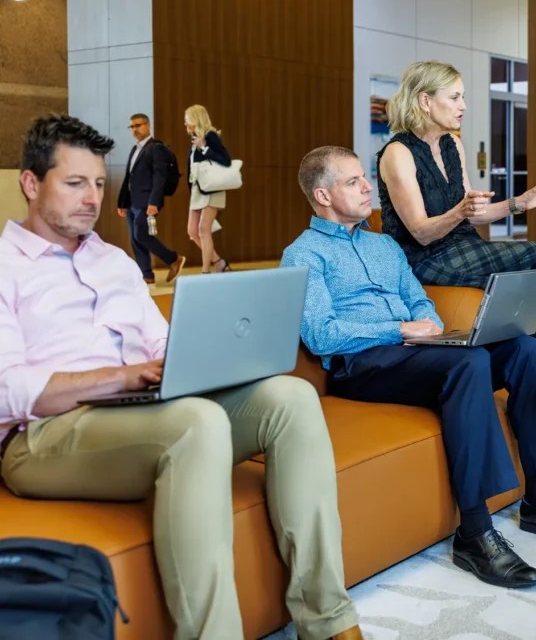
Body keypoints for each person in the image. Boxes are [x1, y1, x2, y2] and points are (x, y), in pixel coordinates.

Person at [0, 115, 362, 640]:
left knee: (291, 397)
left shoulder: (115, 262)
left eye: (100, 184)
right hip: (42, 437)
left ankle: (330, 621)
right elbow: (8, 391)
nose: (92, 198)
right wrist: (122, 379)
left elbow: (161, 347)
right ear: (31, 183)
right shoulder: (6, 265)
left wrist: (210, 355)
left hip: (139, 413)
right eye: (75, 183)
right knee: (197, 422)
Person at [281, 146, 536, 590]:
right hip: (362, 365)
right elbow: (323, 336)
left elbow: (418, 297)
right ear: (323, 195)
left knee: (528, 351)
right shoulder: (304, 254)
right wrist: (401, 328)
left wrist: (427, 320)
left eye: (363, 177)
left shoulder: (384, 244)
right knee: (468, 365)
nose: (368, 186)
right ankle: (474, 532)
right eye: (353, 182)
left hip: (413, 351)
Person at [376, 60, 536, 367]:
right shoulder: (398, 153)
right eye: (454, 97)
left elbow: (473, 215)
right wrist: (459, 212)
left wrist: (521, 202)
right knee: (535, 261)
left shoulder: (452, 144)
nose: (463, 105)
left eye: (463, 96)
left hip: (465, 245)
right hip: (423, 257)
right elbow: (420, 232)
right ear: (425, 101)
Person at [116, 113, 186, 284]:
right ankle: (146, 274)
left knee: (141, 235)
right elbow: (129, 177)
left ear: (148, 126)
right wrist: (122, 202)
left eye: (138, 125)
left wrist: (154, 202)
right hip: (132, 201)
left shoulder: (156, 148)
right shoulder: (135, 149)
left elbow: (159, 177)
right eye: (132, 126)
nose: (135, 130)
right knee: (134, 239)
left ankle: (173, 259)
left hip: (147, 201)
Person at [184, 104, 232, 274]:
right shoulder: (194, 138)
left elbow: (226, 160)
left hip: (212, 189)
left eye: (188, 121)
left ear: (196, 119)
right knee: (192, 231)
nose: (186, 125)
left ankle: (205, 271)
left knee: (204, 230)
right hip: (198, 191)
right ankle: (218, 262)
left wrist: (204, 147)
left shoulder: (210, 136)